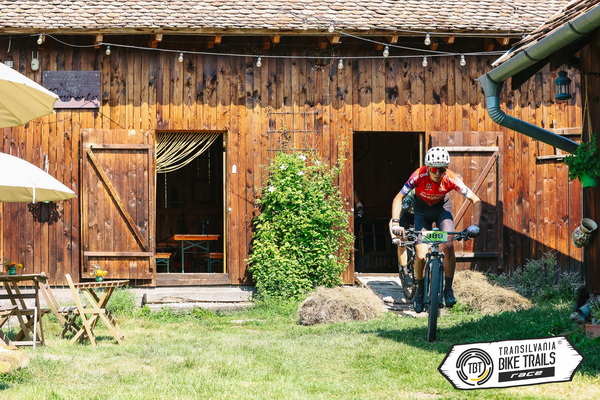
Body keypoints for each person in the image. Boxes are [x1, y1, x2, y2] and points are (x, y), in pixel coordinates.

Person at [390, 147, 481, 313]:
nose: (438, 173)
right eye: (434, 169)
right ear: (428, 168)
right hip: (421, 212)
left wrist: (475, 224)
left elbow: (476, 200)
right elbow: (398, 198)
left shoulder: (450, 178)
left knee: (448, 246)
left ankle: (448, 289)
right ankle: (420, 293)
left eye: (442, 169)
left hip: (441, 210)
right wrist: (396, 223)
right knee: (421, 256)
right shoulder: (418, 175)